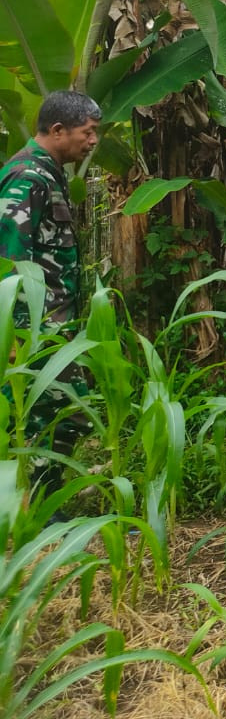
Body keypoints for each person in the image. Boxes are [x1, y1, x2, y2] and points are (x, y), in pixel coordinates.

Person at [0, 91, 101, 504]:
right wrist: (8, 331)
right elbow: (7, 254)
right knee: (62, 409)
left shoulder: (49, 171)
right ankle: (39, 503)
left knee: (57, 410)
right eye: (88, 132)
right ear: (57, 130)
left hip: (51, 320)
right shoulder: (28, 176)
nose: (93, 141)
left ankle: (38, 496)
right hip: (30, 323)